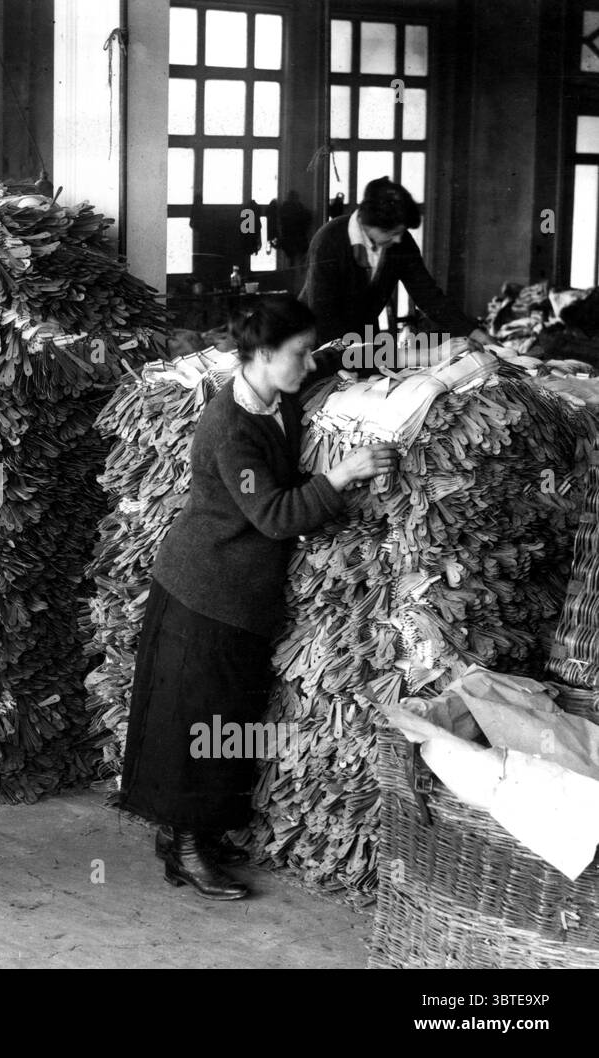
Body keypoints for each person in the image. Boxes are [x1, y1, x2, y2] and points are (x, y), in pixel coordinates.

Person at [119, 295, 398, 901]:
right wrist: (341, 475)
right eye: (296, 353)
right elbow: (273, 514)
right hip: (206, 589)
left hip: (235, 591)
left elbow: (327, 359)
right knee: (196, 721)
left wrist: (380, 353)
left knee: (221, 718)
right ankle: (187, 851)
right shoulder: (230, 427)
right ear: (265, 355)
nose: (305, 364)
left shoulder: (280, 388)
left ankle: (191, 837)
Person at [300, 178, 492, 373]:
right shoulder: (328, 240)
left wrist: (472, 331)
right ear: (368, 223)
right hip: (318, 346)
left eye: (401, 231)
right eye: (393, 232)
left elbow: (428, 295)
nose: (399, 238)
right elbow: (323, 317)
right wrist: (359, 358)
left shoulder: (400, 242)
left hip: (365, 341)